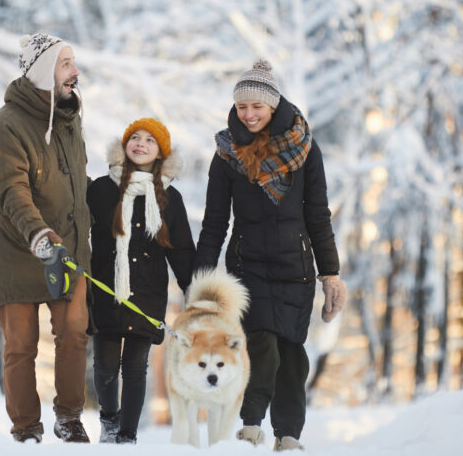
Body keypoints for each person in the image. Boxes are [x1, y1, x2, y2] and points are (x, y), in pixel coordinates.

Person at [194, 59, 347, 452]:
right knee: (261, 345)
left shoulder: (305, 148)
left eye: (256, 107)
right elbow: (215, 222)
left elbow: (318, 214)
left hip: (296, 269)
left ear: (273, 106)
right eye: (242, 106)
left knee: (292, 356)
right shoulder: (227, 153)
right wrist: (201, 283)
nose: (249, 114)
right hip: (247, 268)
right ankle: (250, 426)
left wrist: (330, 274)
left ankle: (288, 435)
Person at [0, 33, 91, 444]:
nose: (75, 72)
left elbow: (75, 185)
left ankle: (70, 419)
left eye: (73, 62)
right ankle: (26, 429)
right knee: (21, 346)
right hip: (16, 252)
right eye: (66, 64)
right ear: (44, 71)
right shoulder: (5, 125)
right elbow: (12, 191)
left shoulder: (69, 119)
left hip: (68, 250)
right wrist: (39, 234)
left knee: (74, 333)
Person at [87, 118, 195, 444]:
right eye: (135, 138)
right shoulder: (101, 190)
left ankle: (127, 436)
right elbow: (78, 228)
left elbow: (181, 249)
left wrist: (192, 288)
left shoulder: (170, 198)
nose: (141, 144)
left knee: (135, 367)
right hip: (106, 289)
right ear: (125, 145)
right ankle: (109, 419)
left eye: (150, 140)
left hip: (147, 292)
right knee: (105, 366)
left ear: (160, 152)